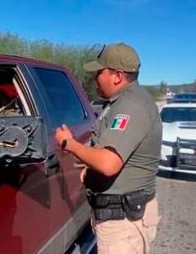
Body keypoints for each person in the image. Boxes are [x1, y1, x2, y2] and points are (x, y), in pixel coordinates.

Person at [54, 43, 162, 254]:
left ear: (117, 76)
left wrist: (69, 143)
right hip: (119, 216)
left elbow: (108, 163)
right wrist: (91, 168)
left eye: (99, 72)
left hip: (123, 223)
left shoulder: (131, 107)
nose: (95, 78)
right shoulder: (122, 102)